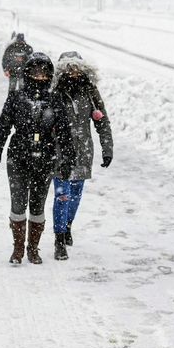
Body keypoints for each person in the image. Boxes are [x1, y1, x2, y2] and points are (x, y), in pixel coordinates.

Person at [0, 52, 74, 265]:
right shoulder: (16, 97)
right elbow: (3, 128)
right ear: (28, 73)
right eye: (35, 71)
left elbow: (64, 132)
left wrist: (68, 159)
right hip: (18, 157)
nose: (39, 76)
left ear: (50, 75)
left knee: (37, 207)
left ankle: (33, 249)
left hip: (44, 160)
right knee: (18, 205)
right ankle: (18, 249)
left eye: (44, 72)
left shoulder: (54, 99)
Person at [49, 52, 113, 260]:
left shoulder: (89, 91)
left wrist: (107, 147)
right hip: (59, 152)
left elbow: (102, 121)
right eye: (68, 68)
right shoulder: (54, 92)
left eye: (76, 68)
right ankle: (59, 239)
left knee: (75, 196)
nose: (72, 72)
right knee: (62, 196)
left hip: (83, 151)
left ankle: (67, 226)